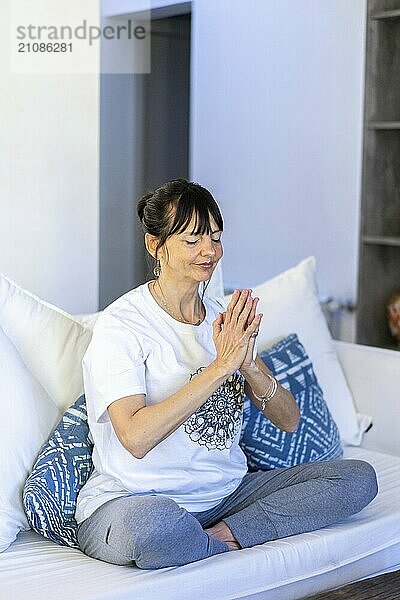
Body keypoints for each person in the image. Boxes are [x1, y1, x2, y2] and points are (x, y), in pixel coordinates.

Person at [75, 178, 378, 570]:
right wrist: (221, 367)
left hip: (227, 495)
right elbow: (135, 437)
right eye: (192, 241)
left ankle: (223, 536)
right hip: (136, 500)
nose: (209, 252)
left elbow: (289, 421)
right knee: (152, 529)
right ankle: (216, 542)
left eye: (216, 238)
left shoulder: (223, 319)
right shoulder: (122, 325)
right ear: (156, 245)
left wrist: (248, 364)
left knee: (358, 479)